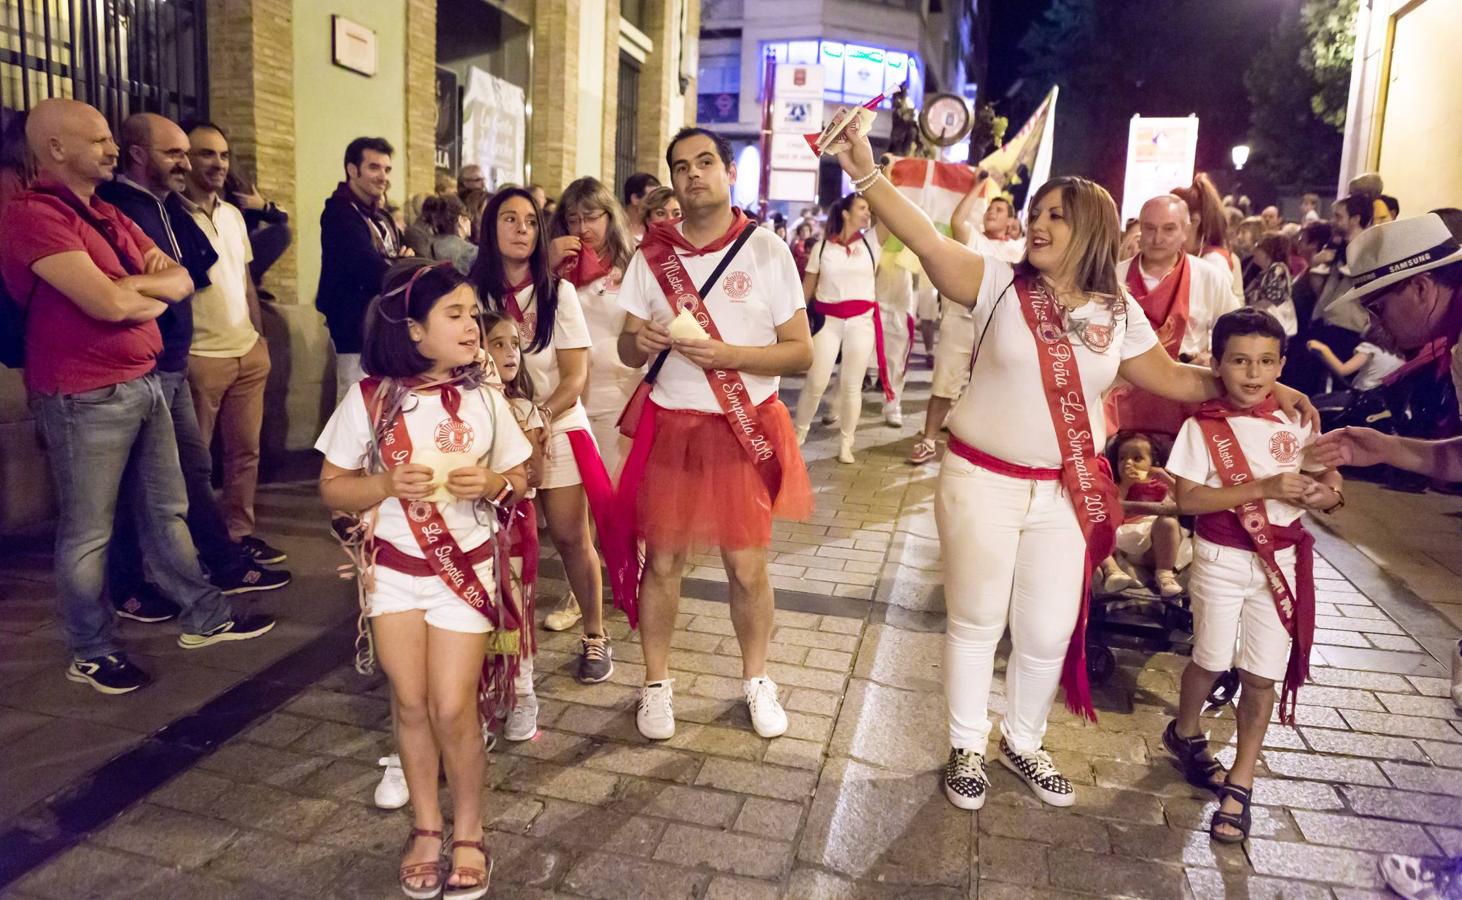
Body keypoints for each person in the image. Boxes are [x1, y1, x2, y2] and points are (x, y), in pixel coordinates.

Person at [825, 107, 1318, 812]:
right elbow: (927, 242)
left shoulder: (1118, 312)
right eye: (1036, 213)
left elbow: (1177, 377)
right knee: (975, 619)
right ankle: (967, 745)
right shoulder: (997, 282)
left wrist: (1261, 385)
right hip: (981, 482)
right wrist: (867, 172)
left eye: (1056, 215)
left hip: (1064, 493)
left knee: (1049, 627)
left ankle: (1022, 741)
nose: (1039, 224)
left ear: (1089, 226)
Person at [0, 99, 275, 694]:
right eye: (98, 139)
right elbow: (111, 304)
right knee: (88, 531)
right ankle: (91, 648)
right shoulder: (33, 216)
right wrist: (132, 292)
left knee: (167, 506)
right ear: (55, 149)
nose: (112, 148)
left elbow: (177, 279)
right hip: (82, 396)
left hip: (145, 378)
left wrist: (132, 290)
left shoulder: (104, 213)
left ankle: (206, 616)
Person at [317, 261, 530, 900]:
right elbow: (331, 488)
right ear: (414, 331)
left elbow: (522, 478)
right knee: (408, 704)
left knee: (451, 706)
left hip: (464, 573)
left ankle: (469, 829)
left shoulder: (487, 398)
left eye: (474, 313)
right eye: (456, 315)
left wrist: (494, 483)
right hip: (393, 577)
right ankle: (427, 827)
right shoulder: (371, 399)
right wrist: (383, 484)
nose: (473, 326)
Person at [616, 126, 815, 741]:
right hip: (673, 426)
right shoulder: (652, 256)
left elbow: (800, 353)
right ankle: (655, 685)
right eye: (681, 166)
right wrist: (638, 341)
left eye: (706, 162)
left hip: (742, 428)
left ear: (730, 171)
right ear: (671, 180)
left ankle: (757, 679)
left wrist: (724, 353)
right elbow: (626, 347)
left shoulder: (766, 250)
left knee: (746, 566)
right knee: (664, 562)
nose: (693, 174)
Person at [98, 114, 289, 613]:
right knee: (140, 488)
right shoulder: (123, 206)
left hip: (185, 360)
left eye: (206, 154)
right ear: (141, 155)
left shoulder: (176, 209)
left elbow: (206, 271)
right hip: (160, 362)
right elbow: (136, 288)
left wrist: (258, 336)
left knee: (200, 469)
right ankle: (135, 586)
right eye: (180, 153)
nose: (195, 164)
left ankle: (222, 559)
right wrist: (164, 281)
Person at [1165, 308, 1343, 843]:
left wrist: (1324, 494)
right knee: (1211, 659)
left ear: (1282, 365)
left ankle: (1241, 780)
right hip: (1221, 557)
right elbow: (1188, 497)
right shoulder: (1203, 426)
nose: (1252, 373)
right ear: (1217, 365)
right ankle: (1186, 729)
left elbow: (1331, 482)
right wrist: (1262, 489)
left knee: (1261, 675)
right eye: (1240, 361)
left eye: (1266, 362)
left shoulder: (1296, 423)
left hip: (1280, 564)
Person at [470, 187, 617, 680]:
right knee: (498, 544)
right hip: (493, 431)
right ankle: (505, 644)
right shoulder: (472, 296)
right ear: (490, 229)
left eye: (531, 222)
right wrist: (503, 422)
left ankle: (595, 636)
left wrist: (534, 417)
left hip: (556, 423)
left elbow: (575, 377)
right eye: (509, 220)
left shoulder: (559, 292)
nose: (521, 230)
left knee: (572, 537)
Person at [180, 123, 286, 567]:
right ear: (185, 160)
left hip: (246, 350)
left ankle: (238, 535)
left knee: (245, 453)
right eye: (207, 154)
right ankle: (197, 547)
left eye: (223, 155)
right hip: (201, 356)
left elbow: (244, 282)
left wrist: (259, 339)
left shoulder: (232, 215)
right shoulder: (171, 214)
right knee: (196, 462)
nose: (218, 163)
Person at [1105, 194, 1240, 437]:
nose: (1157, 239)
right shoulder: (1112, 278)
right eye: (1149, 228)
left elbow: (1237, 335)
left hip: (1186, 403)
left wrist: (1213, 356)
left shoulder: (1209, 277)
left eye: (1168, 229)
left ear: (1186, 230)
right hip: (1121, 405)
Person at [909, 190, 1024, 466]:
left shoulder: (1018, 250)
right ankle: (928, 440)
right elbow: (957, 220)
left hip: (996, 327)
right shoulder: (974, 239)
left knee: (990, 389)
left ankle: (980, 446)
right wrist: (977, 186)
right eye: (989, 209)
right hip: (960, 321)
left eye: (999, 210)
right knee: (944, 383)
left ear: (1010, 221)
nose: (991, 213)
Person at [548, 176, 640, 477]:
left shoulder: (632, 263)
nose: (582, 228)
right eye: (573, 220)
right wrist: (546, 264)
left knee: (611, 492)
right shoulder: (554, 265)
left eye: (590, 217)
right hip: (563, 395)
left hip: (617, 396)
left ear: (609, 217)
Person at [792, 194, 883, 463]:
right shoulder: (823, 247)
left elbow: (887, 213)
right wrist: (795, 322)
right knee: (816, 381)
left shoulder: (872, 242)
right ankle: (799, 433)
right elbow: (807, 288)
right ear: (845, 213)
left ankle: (846, 443)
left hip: (861, 322)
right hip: (827, 321)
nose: (868, 213)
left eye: (869, 208)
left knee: (851, 385)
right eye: (862, 208)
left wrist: (880, 176)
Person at [316, 136, 403, 401]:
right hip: (353, 326)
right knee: (354, 404)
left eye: (387, 169)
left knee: (381, 406)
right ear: (352, 170)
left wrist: (400, 262)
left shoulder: (379, 214)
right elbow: (368, 267)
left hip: (382, 324)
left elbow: (408, 253)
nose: (383, 176)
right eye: (374, 167)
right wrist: (399, 264)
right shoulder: (339, 213)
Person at [1098, 431, 1187, 598]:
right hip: (1124, 540)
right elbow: (1113, 511)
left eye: (1137, 458)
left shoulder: (1161, 485)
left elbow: (1187, 499)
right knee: (1097, 527)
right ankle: (1112, 571)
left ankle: (1165, 575)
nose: (1128, 463)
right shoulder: (1117, 486)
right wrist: (1125, 484)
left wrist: (1165, 477)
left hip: (1155, 544)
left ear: (1153, 462)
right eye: (1122, 458)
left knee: (1168, 523)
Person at [1174, 173, 1242, 299]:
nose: (1159, 237)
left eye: (1169, 227)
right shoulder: (1191, 257)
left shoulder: (1214, 263)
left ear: (1194, 221)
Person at [224, 169, 291, 297]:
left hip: (243, 261)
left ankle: (251, 284)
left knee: (283, 232)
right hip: (226, 263)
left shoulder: (244, 202)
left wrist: (261, 206)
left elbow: (283, 217)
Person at [1247, 232, 1298, 336]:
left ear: (1268, 251)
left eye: (1257, 247)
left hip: (1277, 329)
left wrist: (1248, 312)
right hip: (1267, 328)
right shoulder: (1262, 273)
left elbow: (1269, 301)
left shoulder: (1278, 270)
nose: (1254, 251)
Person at [421, 194, 478, 275]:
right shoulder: (472, 253)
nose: (470, 222)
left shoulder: (429, 247)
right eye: (468, 218)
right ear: (461, 219)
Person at [621, 171, 661, 244]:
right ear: (635, 199)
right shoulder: (612, 227)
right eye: (652, 198)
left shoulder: (657, 229)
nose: (657, 203)